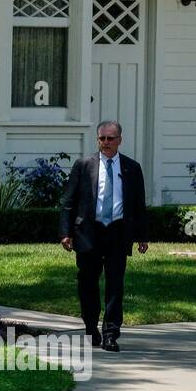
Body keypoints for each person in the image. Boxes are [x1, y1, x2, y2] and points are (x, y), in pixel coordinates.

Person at [59, 119, 150, 352]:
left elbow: (139, 204)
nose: (106, 143)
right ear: (97, 139)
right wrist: (66, 233)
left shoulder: (132, 168)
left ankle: (111, 333)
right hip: (89, 232)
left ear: (120, 140)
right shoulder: (84, 165)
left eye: (111, 138)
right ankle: (91, 326)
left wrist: (142, 236)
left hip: (118, 232)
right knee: (87, 283)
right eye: (102, 138)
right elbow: (69, 202)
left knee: (115, 284)